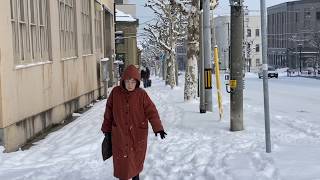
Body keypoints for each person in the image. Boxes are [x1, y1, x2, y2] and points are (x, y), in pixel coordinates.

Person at [101, 65, 167, 180]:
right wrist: (107, 130)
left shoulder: (142, 94)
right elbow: (108, 112)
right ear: (123, 81)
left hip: (137, 134)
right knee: (122, 161)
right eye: (127, 81)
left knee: (135, 159)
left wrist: (158, 128)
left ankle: (136, 177)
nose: (130, 85)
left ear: (137, 82)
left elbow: (151, 111)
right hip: (120, 134)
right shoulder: (115, 93)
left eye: (133, 82)